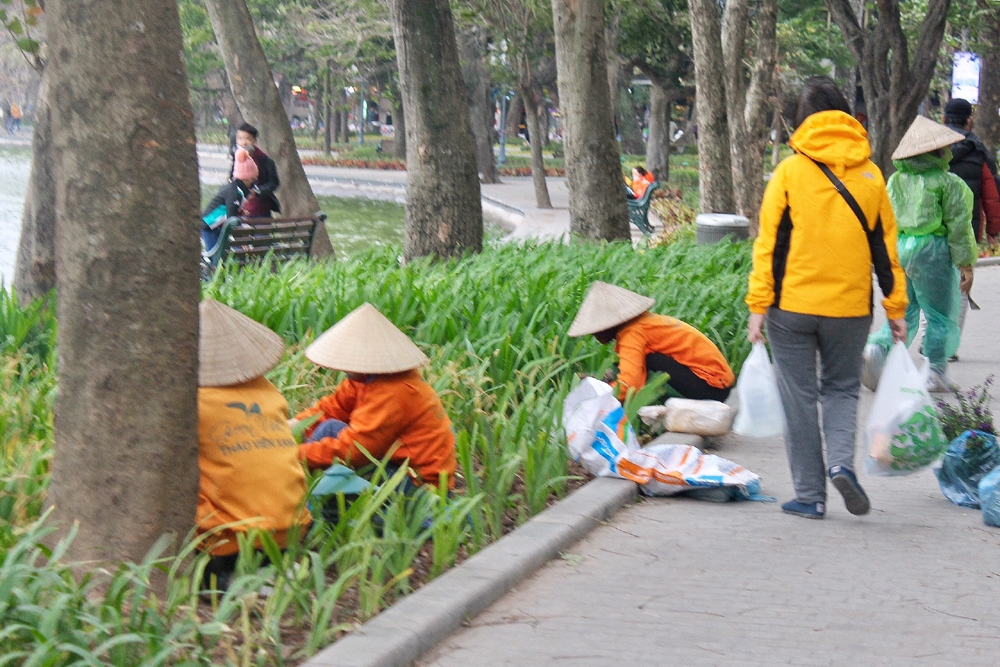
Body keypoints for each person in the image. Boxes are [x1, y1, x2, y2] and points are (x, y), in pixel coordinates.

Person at [746, 76, 908, 520]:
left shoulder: (789, 172)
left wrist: (758, 306)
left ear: (801, 122)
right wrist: (896, 309)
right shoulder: (873, 176)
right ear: (847, 117)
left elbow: (769, 246)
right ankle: (842, 464)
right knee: (841, 390)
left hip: (791, 308)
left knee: (798, 397)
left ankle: (810, 495)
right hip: (851, 310)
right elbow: (885, 250)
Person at [197, 299, 311, 590]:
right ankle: (272, 567)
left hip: (233, 540)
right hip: (294, 528)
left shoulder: (191, 403)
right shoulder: (269, 392)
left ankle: (224, 579)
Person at [862, 116, 976, 393]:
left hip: (901, 249)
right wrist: (966, 264)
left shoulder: (896, 180)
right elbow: (959, 226)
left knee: (905, 309)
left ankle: (877, 350)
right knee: (939, 314)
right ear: (938, 151)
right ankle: (935, 372)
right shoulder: (949, 184)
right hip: (933, 252)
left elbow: (885, 218)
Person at [293, 303, 457, 491]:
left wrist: (294, 455)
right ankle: (296, 485)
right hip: (393, 463)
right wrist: (291, 427)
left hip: (418, 483)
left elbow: (355, 451)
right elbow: (333, 408)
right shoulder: (365, 378)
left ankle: (298, 496)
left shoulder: (391, 392)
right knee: (330, 427)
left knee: (322, 467)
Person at [568, 281, 735, 404]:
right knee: (632, 364)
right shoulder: (645, 322)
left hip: (712, 388)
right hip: (721, 382)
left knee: (648, 361)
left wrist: (597, 396)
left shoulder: (632, 333)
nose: (596, 336)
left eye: (597, 329)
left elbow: (629, 386)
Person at [942, 98, 1000, 349]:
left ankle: (930, 340)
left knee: (931, 284)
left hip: (929, 228)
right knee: (961, 283)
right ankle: (951, 344)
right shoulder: (979, 150)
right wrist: (994, 231)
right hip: (966, 229)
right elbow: (991, 193)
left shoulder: (928, 147)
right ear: (969, 120)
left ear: (943, 119)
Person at [202, 147, 258, 249]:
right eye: (254, 177)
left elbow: (231, 209)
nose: (255, 179)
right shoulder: (234, 192)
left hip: (219, 225)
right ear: (248, 177)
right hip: (209, 225)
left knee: (222, 254)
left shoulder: (239, 189)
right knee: (215, 257)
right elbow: (231, 219)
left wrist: (241, 212)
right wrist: (241, 239)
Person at [233, 122, 281, 217]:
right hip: (239, 208)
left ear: (255, 141)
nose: (243, 142)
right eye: (240, 138)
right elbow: (232, 178)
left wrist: (257, 192)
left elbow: (274, 183)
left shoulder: (265, 160)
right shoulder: (236, 157)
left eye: (247, 139)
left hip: (260, 210)